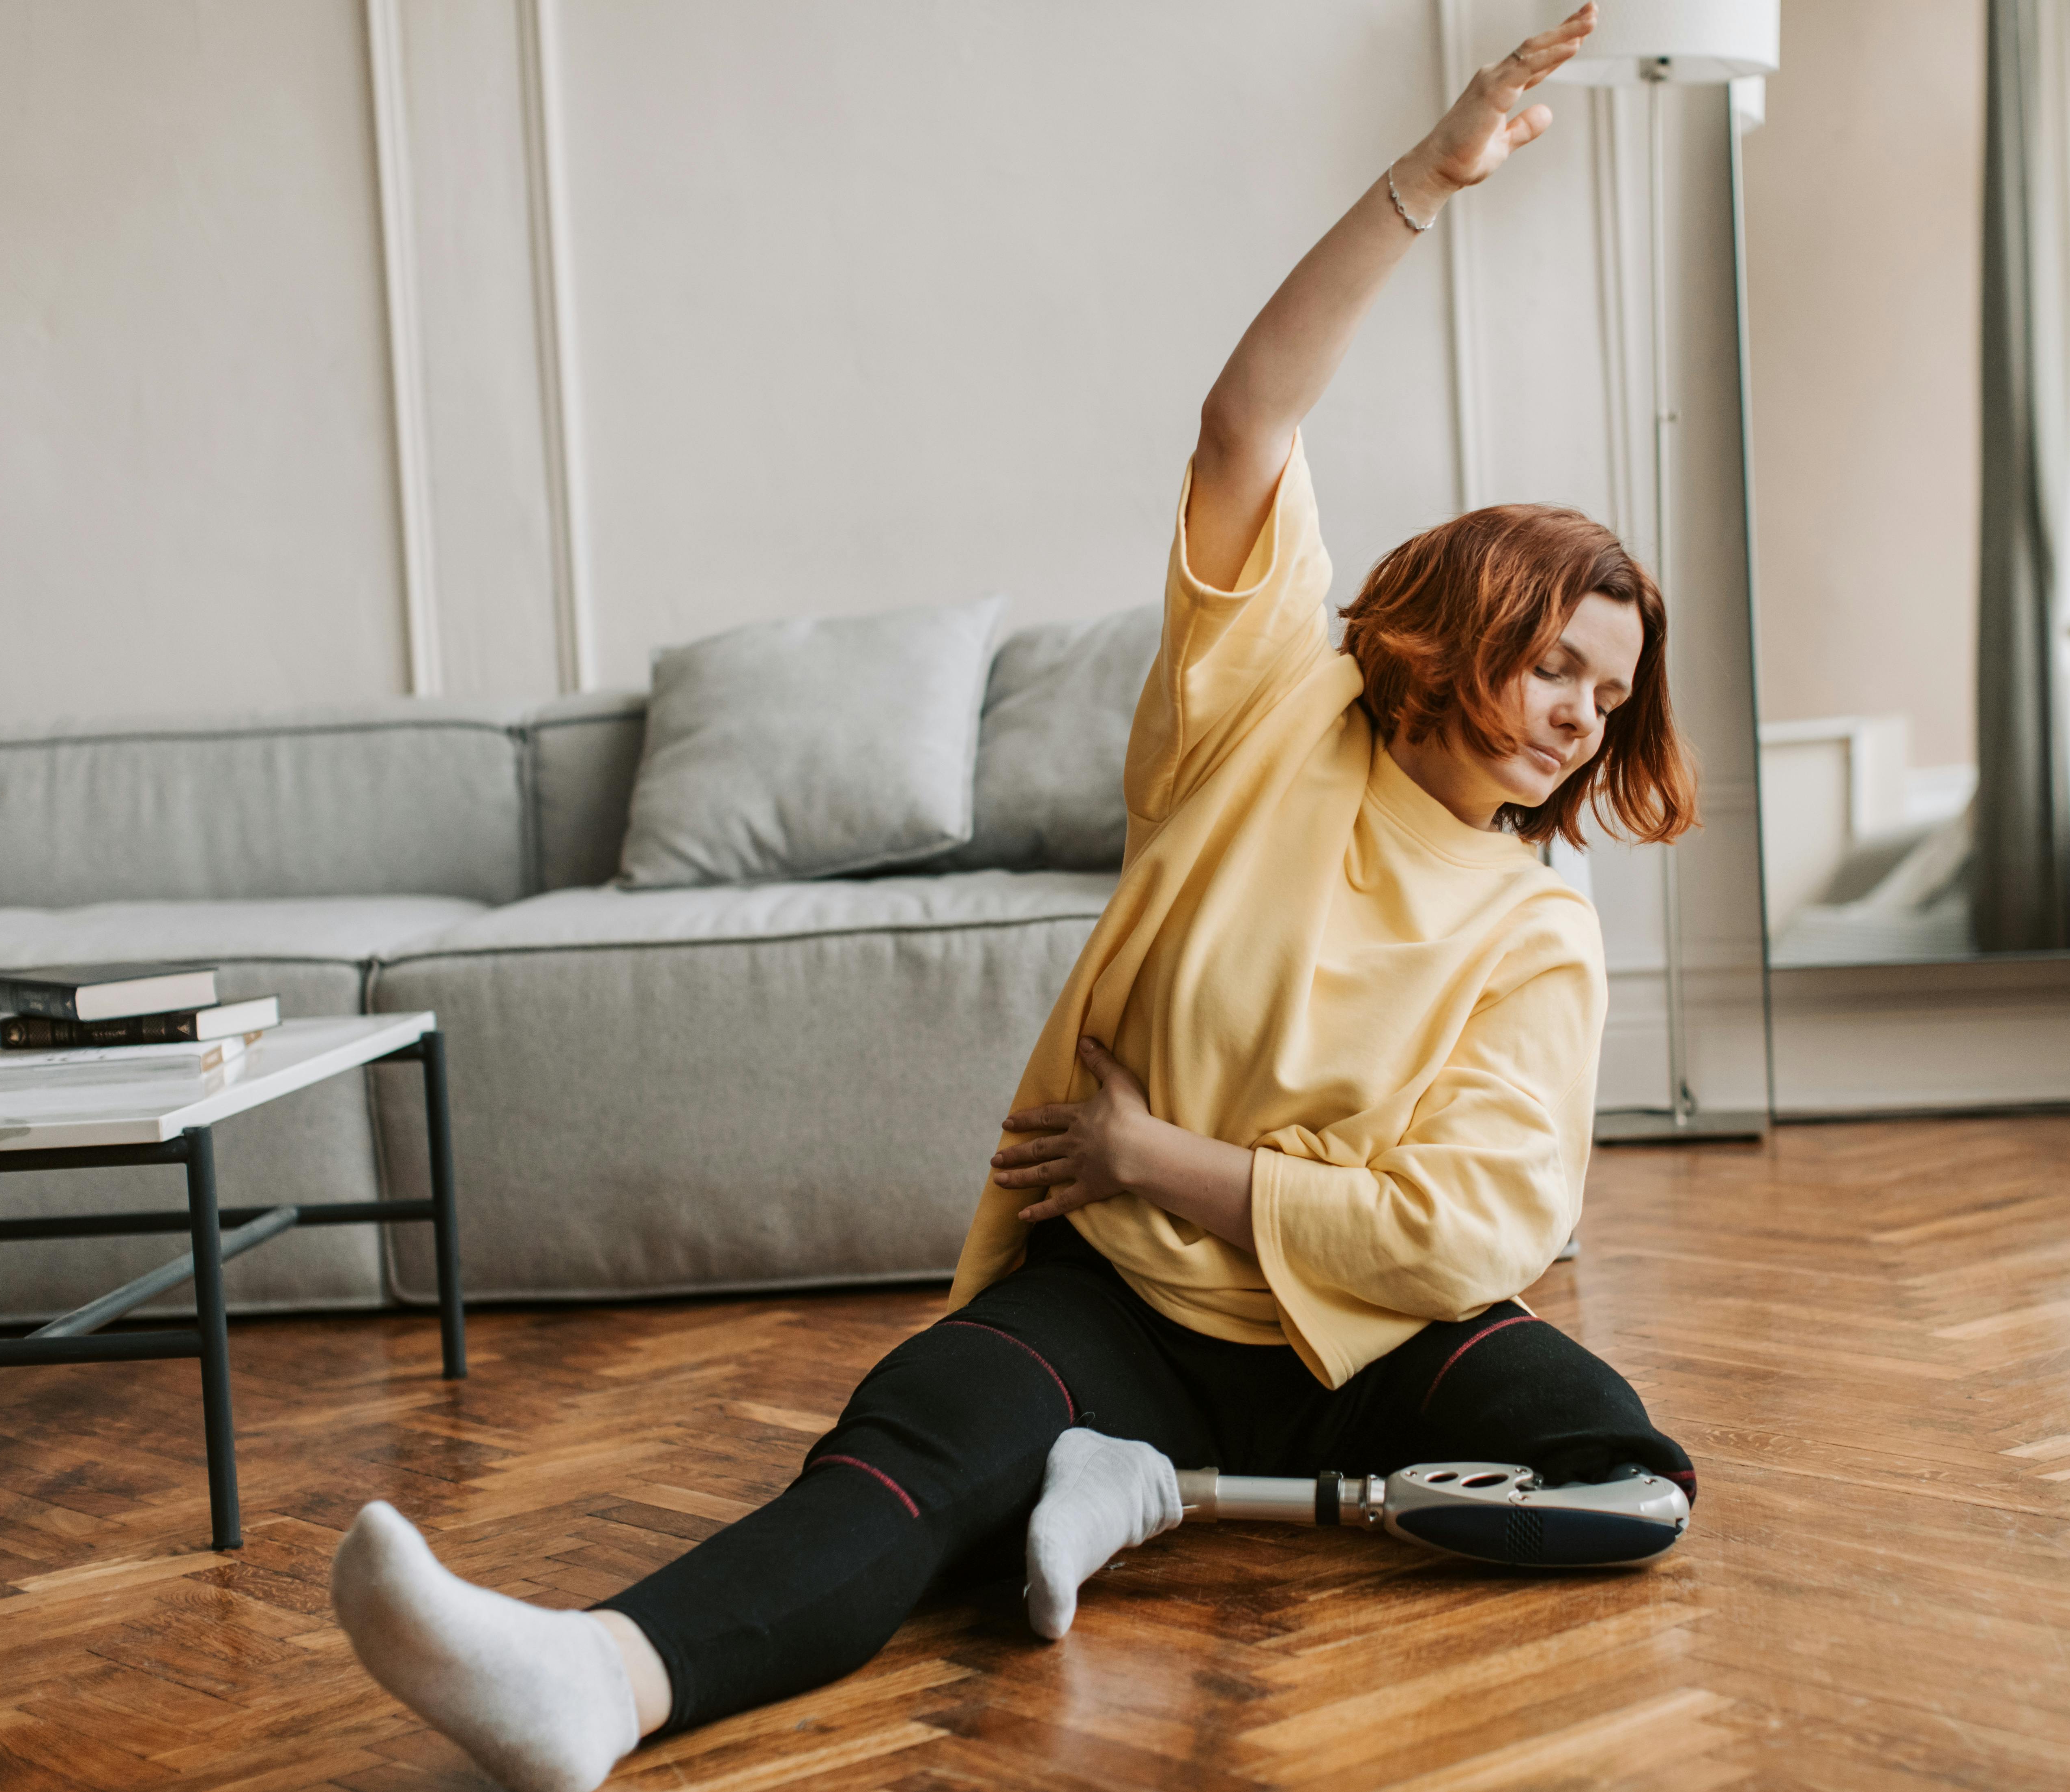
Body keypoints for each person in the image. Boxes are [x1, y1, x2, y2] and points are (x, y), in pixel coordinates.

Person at [324, 8, 1698, 1788]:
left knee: (1630, 1482)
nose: (1584, 715)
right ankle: (601, 1674)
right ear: (1465, 626)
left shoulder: (1537, 922)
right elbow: (1244, 416)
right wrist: (1426, 180)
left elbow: (1466, 1237)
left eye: (1611, 692)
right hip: (1118, 1297)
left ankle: (1169, 1492)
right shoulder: (1272, 709)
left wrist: (1163, 1161)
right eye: (1558, 665)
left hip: (1358, 1348)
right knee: (899, 1456)